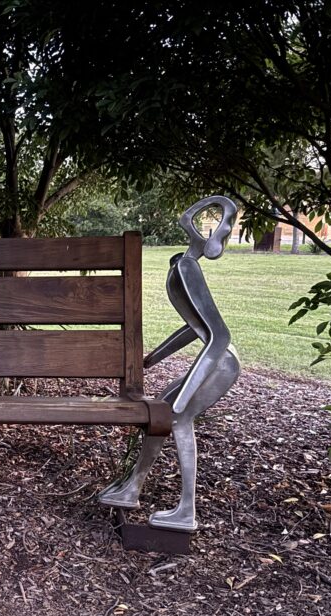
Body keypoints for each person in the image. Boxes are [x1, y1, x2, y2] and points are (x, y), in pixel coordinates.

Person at [98, 196, 240, 532]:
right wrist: (154, 357)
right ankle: (132, 488)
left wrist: (188, 387)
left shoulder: (188, 267)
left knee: (178, 419)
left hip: (220, 363)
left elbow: (218, 336)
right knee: (163, 417)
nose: (186, 221)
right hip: (214, 359)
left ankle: (186, 511)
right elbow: (194, 327)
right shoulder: (183, 264)